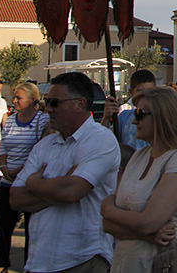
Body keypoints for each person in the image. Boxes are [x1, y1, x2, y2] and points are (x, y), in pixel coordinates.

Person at [10, 72, 120, 272]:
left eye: (54, 103)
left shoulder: (100, 140)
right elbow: (16, 198)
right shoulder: (45, 145)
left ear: (79, 104)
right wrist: (61, 186)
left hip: (81, 259)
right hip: (39, 261)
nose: (48, 109)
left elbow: (71, 191)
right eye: (46, 102)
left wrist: (34, 184)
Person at [101, 87, 177, 271]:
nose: (134, 121)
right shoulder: (138, 156)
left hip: (158, 265)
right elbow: (107, 225)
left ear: (164, 117)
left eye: (140, 114)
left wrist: (108, 209)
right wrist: (145, 234)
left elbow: (148, 222)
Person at [0, 83, 50, 273]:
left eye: (19, 98)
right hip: (8, 181)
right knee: (2, 225)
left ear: (33, 101)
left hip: (29, 183)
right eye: (14, 97)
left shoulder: (42, 120)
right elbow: (4, 147)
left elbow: (41, 151)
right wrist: (4, 167)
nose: (14, 101)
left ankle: (30, 266)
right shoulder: (10, 120)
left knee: (31, 229)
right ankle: (0, 264)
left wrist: (20, 170)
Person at [102, 69, 157, 149]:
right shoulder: (124, 116)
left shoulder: (160, 117)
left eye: (150, 91)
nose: (145, 96)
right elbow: (104, 139)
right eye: (140, 91)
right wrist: (106, 118)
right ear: (131, 92)